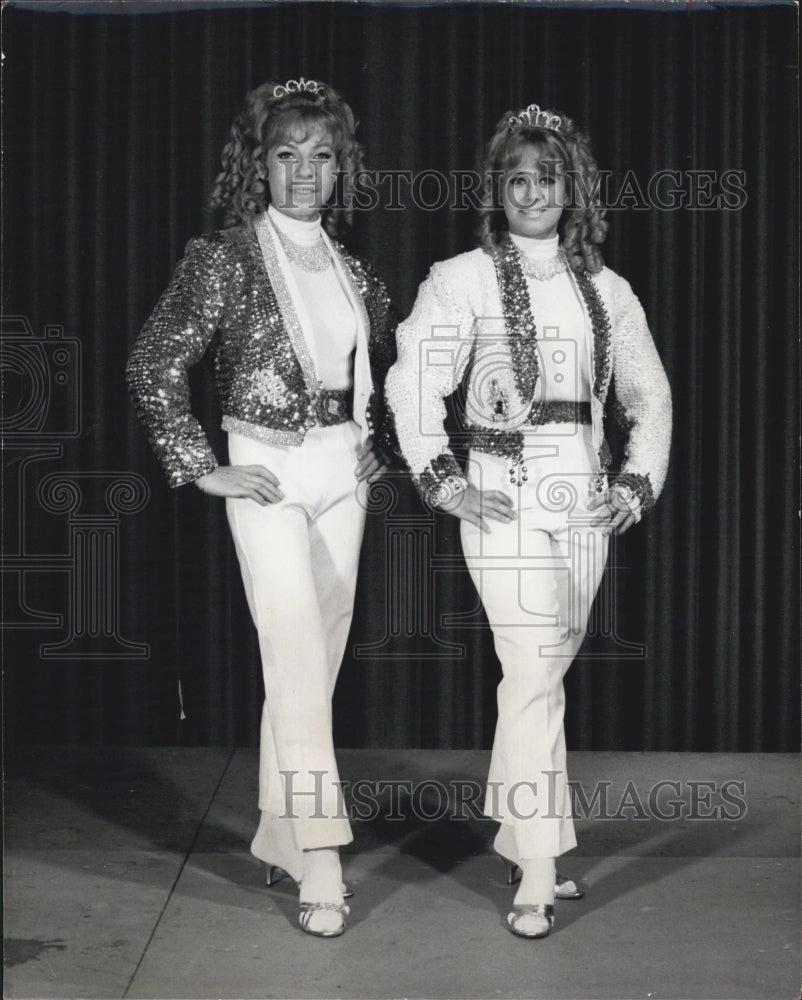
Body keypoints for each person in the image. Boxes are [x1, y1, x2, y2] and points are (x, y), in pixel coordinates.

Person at [385, 103, 671, 938]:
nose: (533, 193)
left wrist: (636, 483)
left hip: (581, 496)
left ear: (572, 188)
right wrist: (442, 480)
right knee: (535, 661)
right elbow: (411, 382)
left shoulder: (609, 291)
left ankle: (521, 832)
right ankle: (539, 873)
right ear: (496, 191)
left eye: (548, 178)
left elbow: (647, 395)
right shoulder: (459, 277)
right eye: (517, 178)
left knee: (539, 677)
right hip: (501, 492)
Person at [127, 77, 397, 938]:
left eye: (321, 156)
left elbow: (375, 375)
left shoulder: (358, 274)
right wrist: (201, 465)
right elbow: (153, 362)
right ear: (259, 164)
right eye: (286, 155)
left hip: (341, 475)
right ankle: (320, 856)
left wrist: (370, 438)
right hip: (267, 469)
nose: (304, 171)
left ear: (341, 167)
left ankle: (280, 833)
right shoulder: (227, 257)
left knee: (312, 661)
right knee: (291, 651)